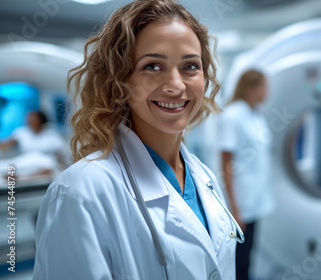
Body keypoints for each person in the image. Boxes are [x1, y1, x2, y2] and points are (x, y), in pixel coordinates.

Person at [33, 1, 238, 279]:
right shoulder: (80, 192)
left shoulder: (204, 177)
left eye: (190, 66)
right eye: (153, 66)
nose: (176, 85)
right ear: (120, 80)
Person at [218, 69, 275, 280]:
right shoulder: (233, 115)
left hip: (255, 200)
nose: (266, 93)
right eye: (263, 87)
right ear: (251, 88)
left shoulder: (255, 114)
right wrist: (235, 208)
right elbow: (226, 163)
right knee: (238, 259)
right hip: (240, 202)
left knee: (248, 254)